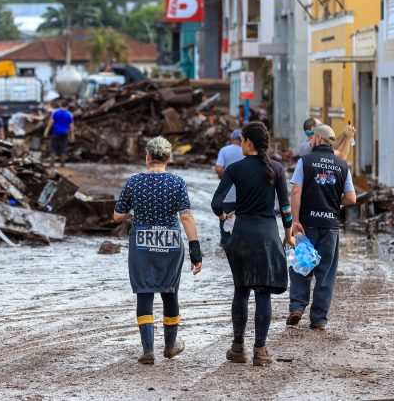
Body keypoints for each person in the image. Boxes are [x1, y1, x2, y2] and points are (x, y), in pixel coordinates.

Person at [211, 121, 294, 367]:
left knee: (241, 289)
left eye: (243, 141)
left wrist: (225, 217)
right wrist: (288, 234)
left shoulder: (235, 169)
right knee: (263, 293)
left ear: (248, 142)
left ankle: (238, 348)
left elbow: (217, 203)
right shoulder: (277, 169)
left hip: (242, 234)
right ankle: (260, 350)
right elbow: (286, 209)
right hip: (268, 235)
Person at [113, 137, 203, 365]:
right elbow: (186, 216)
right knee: (170, 292)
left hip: (141, 243)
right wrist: (195, 250)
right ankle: (171, 345)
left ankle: (148, 350)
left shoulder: (134, 183)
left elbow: (117, 215)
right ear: (169, 159)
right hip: (170, 242)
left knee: (144, 292)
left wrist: (133, 215)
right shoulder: (177, 183)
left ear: (147, 157)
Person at [287, 124, 357, 331]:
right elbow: (352, 198)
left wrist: (295, 221)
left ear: (318, 140)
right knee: (326, 273)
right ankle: (318, 319)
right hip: (330, 225)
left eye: (311, 139)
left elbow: (296, 192)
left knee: (301, 265)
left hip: (306, 224)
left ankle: (297, 307)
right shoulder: (342, 166)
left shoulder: (305, 162)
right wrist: (334, 201)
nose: (309, 142)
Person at [214, 130, 244, 245]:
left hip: (227, 195)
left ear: (232, 139)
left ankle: (225, 243)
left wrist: (226, 176)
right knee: (242, 221)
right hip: (243, 195)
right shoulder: (246, 152)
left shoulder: (224, 150)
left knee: (225, 220)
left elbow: (218, 169)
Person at [43, 102, 75, 167]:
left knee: (53, 146)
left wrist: (46, 130)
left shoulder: (55, 112)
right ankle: (62, 164)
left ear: (60, 105)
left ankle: (52, 163)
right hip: (65, 133)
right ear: (67, 107)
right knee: (64, 147)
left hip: (56, 132)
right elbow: (71, 126)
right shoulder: (69, 114)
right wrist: (72, 136)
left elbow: (51, 122)